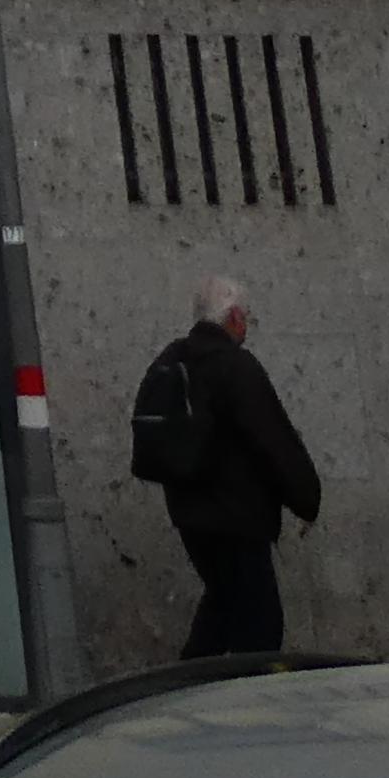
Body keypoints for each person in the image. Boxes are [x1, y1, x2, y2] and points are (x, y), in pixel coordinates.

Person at [130, 274, 322, 659]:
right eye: (246, 316)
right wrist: (306, 497)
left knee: (222, 604)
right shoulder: (235, 366)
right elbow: (271, 438)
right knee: (260, 623)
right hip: (239, 516)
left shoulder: (173, 360)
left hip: (190, 514)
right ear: (234, 316)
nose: (246, 325)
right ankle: (247, 702)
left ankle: (189, 687)